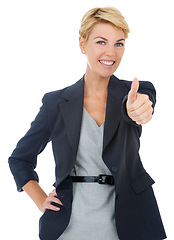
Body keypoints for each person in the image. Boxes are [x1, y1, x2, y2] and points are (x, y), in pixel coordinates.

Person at [8, 7, 166, 240]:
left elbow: (139, 104)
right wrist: (40, 199)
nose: (111, 53)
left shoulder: (136, 92)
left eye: (119, 44)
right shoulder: (56, 103)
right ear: (82, 44)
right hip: (70, 224)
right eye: (101, 42)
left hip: (130, 221)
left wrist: (138, 109)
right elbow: (19, 159)